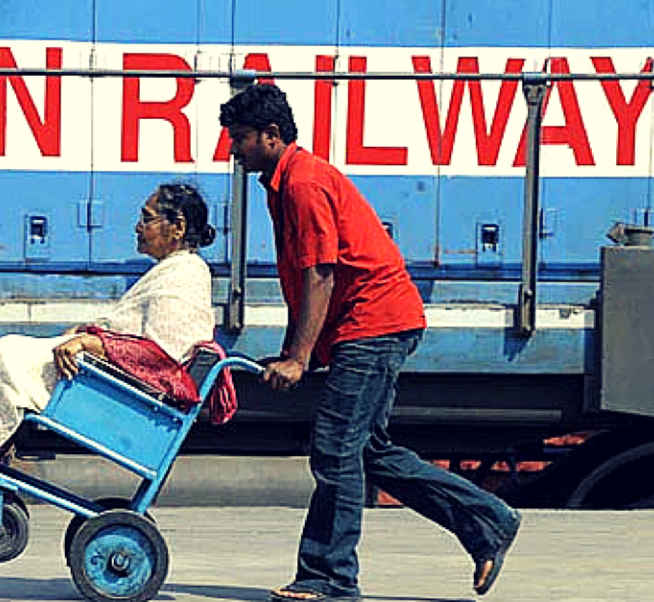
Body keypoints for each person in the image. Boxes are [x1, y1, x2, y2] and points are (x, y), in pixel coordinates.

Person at [219, 84, 521, 600]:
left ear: (271, 135)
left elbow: (320, 273)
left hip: (373, 323)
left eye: (240, 138)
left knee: (335, 447)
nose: (233, 149)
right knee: (368, 453)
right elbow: (303, 278)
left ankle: (330, 577)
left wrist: (298, 358)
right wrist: (296, 351)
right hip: (368, 324)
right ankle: (487, 521)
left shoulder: (303, 183)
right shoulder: (283, 182)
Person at [0, 182, 223, 517]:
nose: (137, 227)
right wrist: (85, 333)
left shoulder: (185, 275)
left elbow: (161, 356)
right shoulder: (176, 269)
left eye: (147, 219)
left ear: (177, 227)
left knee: (7, 356)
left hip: (122, 396)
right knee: (9, 353)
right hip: (109, 380)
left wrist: (90, 342)